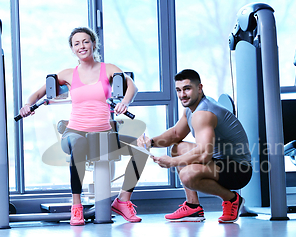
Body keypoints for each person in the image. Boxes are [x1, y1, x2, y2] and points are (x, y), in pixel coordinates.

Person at [19, 27, 148, 226]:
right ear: (72, 49)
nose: (82, 46)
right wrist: (27, 105)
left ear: (93, 44)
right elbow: (37, 95)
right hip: (74, 133)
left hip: (103, 133)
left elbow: (132, 86)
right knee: (78, 144)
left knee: (141, 147)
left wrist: (125, 103)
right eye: (77, 43)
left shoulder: (109, 68)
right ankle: (76, 206)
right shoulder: (68, 74)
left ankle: (123, 201)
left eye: (86, 41)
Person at [138, 69, 252, 223]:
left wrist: (172, 162)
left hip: (239, 169)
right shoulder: (192, 109)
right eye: (178, 90)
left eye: (187, 89)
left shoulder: (203, 113)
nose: (182, 95)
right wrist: (150, 142)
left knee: (187, 174)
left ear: (199, 88)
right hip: (219, 160)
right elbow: (176, 134)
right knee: (177, 148)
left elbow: (204, 154)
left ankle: (232, 199)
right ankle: (193, 207)